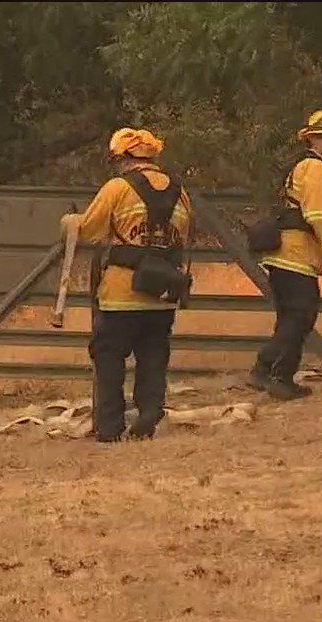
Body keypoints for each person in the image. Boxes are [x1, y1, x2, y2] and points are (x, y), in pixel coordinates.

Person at [61, 128, 193, 442]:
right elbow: (182, 238)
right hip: (162, 294)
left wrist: (69, 222)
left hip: (120, 294)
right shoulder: (180, 193)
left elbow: (89, 231)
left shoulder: (117, 188)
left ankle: (109, 428)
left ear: (123, 158)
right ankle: (149, 414)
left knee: (108, 358)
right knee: (153, 356)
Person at [247, 109, 322, 400]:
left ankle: (264, 371)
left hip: (288, 256)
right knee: (300, 317)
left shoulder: (306, 167)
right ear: (311, 139)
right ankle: (279, 377)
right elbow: (317, 214)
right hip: (295, 256)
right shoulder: (316, 168)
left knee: (292, 318)